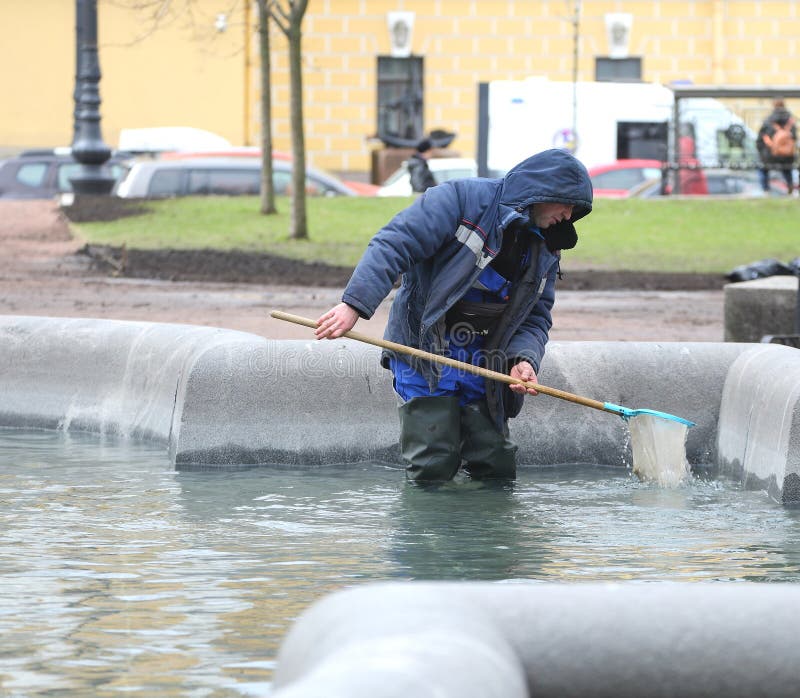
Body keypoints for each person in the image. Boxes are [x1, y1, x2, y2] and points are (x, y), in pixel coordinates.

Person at [315, 148, 593, 483]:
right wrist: (354, 304)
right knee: (433, 464)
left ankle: (489, 535)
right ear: (540, 192)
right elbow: (393, 244)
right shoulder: (459, 200)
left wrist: (524, 359)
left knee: (495, 466)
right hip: (423, 348)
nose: (568, 215)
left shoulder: (548, 247)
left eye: (575, 210)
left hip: (486, 359)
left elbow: (535, 317)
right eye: (565, 203)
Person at [757, 98, 796, 194]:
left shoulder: (768, 120)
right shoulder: (790, 121)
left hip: (770, 155)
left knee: (762, 168)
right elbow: (794, 137)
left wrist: (762, 150)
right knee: (787, 169)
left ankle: (766, 190)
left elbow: (761, 138)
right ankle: (790, 186)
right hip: (787, 155)